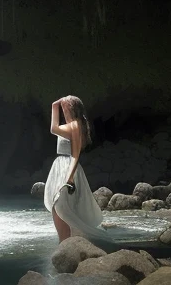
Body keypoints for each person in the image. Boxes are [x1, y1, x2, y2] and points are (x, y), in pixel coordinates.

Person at [44, 95, 109, 244]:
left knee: (60, 207)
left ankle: (64, 243)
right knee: (61, 208)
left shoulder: (74, 125)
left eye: (65, 106)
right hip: (63, 166)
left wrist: (70, 177)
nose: (62, 109)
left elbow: (75, 154)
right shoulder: (76, 124)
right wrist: (58, 104)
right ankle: (65, 243)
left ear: (71, 108)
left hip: (66, 167)